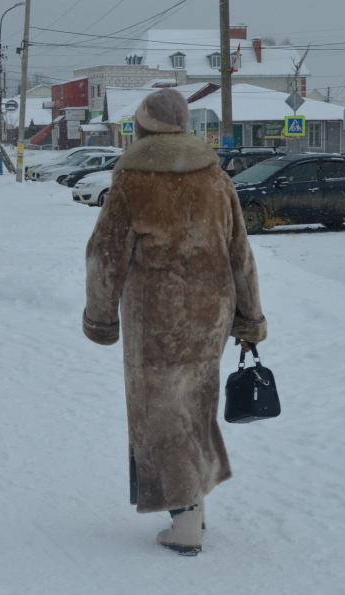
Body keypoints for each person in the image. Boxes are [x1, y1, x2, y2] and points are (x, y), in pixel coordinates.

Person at [83, 88, 267, 557]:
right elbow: (239, 252)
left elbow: (105, 255)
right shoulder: (214, 176)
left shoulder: (132, 180)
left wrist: (100, 319)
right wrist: (249, 317)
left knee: (162, 412)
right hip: (212, 313)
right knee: (193, 404)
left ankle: (185, 518)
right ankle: (195, 506)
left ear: (144, 126)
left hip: (157, 314)